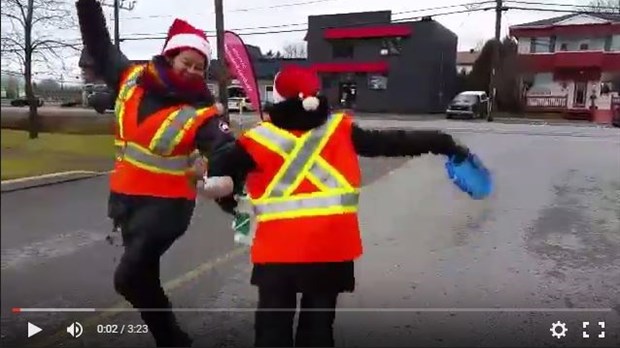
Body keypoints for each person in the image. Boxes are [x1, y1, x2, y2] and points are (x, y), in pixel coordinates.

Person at [205, 65, 473, 347]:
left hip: (276, 253)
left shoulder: (257, 139)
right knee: (318, 330)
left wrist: (233, 206)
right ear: (316, 96)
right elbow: (393, 142)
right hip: (330, 249)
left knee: (272, 330)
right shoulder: (340, 129)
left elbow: (221, 175)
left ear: (279, 99)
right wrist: (440, 142)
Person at [75, 0, 236, 346]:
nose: (193, 71)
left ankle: (171, 338)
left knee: (128, 278)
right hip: (125, 201)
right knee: (144, 278)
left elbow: (224, 149)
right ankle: (172, 339)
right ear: (169, 56)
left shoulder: (203, 112)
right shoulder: (130, 77)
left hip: (168, 209)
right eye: (187, 62)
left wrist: (232, 179)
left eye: (200, 67)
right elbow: (98, 40)